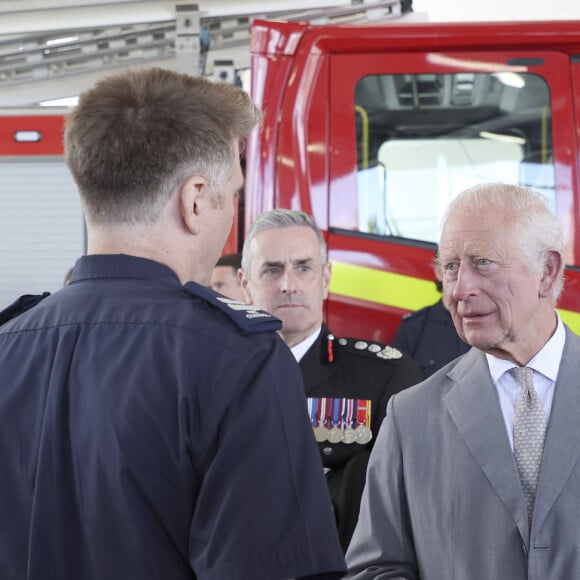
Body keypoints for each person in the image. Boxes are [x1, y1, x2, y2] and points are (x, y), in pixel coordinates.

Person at [0, 68, 346, 580]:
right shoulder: (239, 359)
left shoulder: (8, 348)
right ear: (195, 199)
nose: (233, 213)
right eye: (233, 194)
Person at [345, 183, 577, 579]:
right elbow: (377, 568)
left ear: (547, 271)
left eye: (482, 262)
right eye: (450, 266)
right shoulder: (410, 417)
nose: (458, 289)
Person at [239, 209, 421, 552]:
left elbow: (404, 509)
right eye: (272, 269)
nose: (288, 284)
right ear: (245, 285)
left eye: (303, 268)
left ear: (326, 278)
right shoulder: (214, 380)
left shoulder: (385, 375)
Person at [393, 255, 470, 378]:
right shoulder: (413, 329)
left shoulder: (492, 329)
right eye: (453, 266)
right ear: (439, 272)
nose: (463, 276)